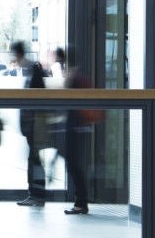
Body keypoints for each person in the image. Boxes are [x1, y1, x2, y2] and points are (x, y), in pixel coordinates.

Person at [11, 42, 52, 208]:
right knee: (34, 159)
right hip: (33, 124)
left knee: (34, 160)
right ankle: (35, 194)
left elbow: (35, 97)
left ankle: (37, 195)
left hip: (35, 124)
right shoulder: (30, 69)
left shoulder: (33, 69)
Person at [53, 47, 93, 215]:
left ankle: (81, 202)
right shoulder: (77, 74)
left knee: (74, 164)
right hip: (78, 125)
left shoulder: (73, 75)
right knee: (73, 163)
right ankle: (81, 201)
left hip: (75, 125)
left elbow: (68, 97)